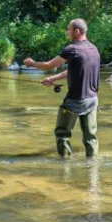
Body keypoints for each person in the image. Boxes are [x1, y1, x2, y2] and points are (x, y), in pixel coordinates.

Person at [23, 18, 100, 158]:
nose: (67, 32)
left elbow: (48, 65)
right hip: (92, 100)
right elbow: (74, 71)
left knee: (62, 134)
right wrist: (52, 79)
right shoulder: (93, 49)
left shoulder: (72, 49)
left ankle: (65, 168)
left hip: (75, 101)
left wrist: (32, 63)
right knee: (90, 138)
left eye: (68, 30)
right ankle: (93, 170)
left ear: (76, 31)